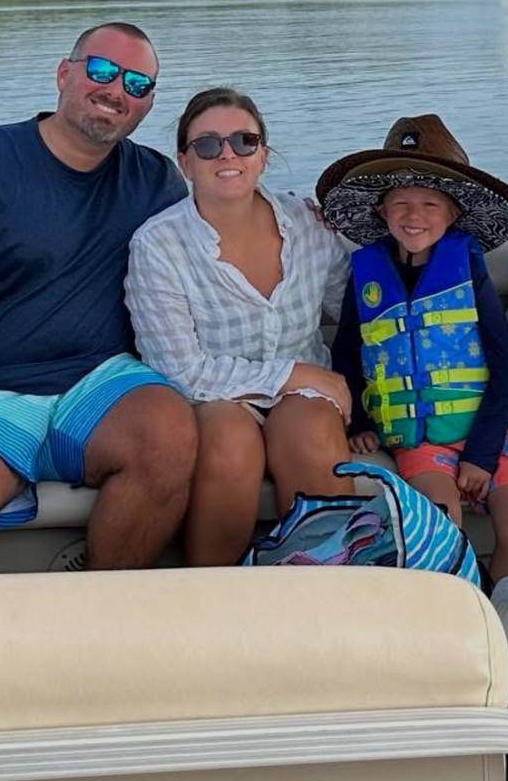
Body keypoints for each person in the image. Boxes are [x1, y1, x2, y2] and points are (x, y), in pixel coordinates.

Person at [0, 21, 197, 575]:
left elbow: (224, 233)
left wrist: (299, 219)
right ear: (64, 73)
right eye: (102, 71)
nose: (115, 91)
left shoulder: (157, 184)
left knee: (171, 434)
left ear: (148, 104)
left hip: (97, 381)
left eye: (137, 84)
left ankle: (100, 626)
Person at [126, 88, 354, 566]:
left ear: (263, 156)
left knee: (312, 429)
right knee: (230, 443)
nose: (227, 154)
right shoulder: (158, 245)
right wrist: (297, 374)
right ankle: (216, 602)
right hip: (214, 395)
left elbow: (354, 309)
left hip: (305, 396)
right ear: (185, 163)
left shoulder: (310, 224)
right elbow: (181, 371)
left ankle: (328, 602)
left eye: (244, 142)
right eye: (207, 145)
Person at [318, 116, 508, 581]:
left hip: (489, 432)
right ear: (381, 211)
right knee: (441, 519)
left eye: (428, 203)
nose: (413, 215)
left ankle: (501, 630)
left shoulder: (472, 274)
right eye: (399, 203)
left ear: (453, 214)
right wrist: (358, 420)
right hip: (421, 441)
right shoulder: (366, 274)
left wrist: (480, 453)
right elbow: (345, 355)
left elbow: (507, 369)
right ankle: (450, 626)